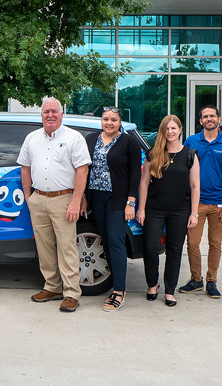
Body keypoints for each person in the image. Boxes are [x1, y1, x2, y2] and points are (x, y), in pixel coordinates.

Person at [17, 98, 91, 313]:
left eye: (54, 111)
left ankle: (71, 293)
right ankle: (52, 287)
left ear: (61, 113)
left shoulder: (74, 138)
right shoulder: (31, 138)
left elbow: (82, 170)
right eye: (46, 111)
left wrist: (76, 201)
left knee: (67, 247)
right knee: (44, 247)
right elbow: (25, 168)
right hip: (38, 199)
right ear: (41, 115)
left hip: (64, 199)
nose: (50, 115)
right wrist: (29, 197)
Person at [137, 115, 200, 307]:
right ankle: (152, 284)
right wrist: (141, 209)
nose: (170, 132)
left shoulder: (190, 155)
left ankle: (170, 290)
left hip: (180, 211)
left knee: (174, 251)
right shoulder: (152, 154)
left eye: (174, 128)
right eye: (167, 129)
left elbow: (195, 185)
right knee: (150, 248)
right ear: (162, 132)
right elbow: (144, 183)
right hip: (154, 209)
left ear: (181, 130)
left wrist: (194, 213)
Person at [84, 106, 141, 312]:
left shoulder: (128, 142)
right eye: (106, 119)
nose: (109, 123)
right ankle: (114, 283)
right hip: (95, 197)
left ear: (120, 122)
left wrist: (130, 202)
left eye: (114, 120)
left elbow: (135, 174)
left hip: (117, 199)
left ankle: (119, 291)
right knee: (105, 240)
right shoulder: (91, 139)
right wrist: (83, 197)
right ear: (101, 120)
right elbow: (83, 168)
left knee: (116, 240)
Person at [181, 104, 222, 298]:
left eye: (212, 116)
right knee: (193, 243)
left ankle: (211, 281)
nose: (209, 119)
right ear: (200, 121)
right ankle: (196, 279)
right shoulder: (191, 141)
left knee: (215, 243)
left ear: (218, 118)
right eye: (205, 116)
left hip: (218, 203)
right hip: (195, 202)